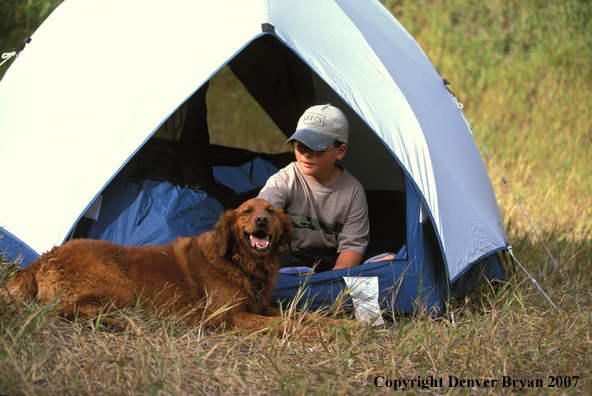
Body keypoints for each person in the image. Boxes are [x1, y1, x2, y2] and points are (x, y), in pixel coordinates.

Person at [257, 104, 369, 273]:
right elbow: (260, 213)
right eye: (301, 146)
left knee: (382, 261)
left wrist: (331, 281)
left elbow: (352, 247)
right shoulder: (285, 179)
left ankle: (310, 282)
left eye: (317, 148)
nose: (307, 154)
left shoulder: (353, 191)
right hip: (290, 257)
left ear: (340, 151)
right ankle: (297, 277)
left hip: (329, 260)